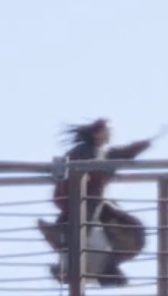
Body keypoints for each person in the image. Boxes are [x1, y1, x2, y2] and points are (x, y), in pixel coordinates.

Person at [39, 119, 158, 286]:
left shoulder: (100, 152)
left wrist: (141, 146)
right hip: (80, 198)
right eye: (105, 131)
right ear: (97, 133)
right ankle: (69, 257)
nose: (109, 134)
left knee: (113, 226)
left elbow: (120, 155)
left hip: (90, 202)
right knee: (80, 227)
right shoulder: (84, 150)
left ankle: (92, 264)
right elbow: (84, 171)